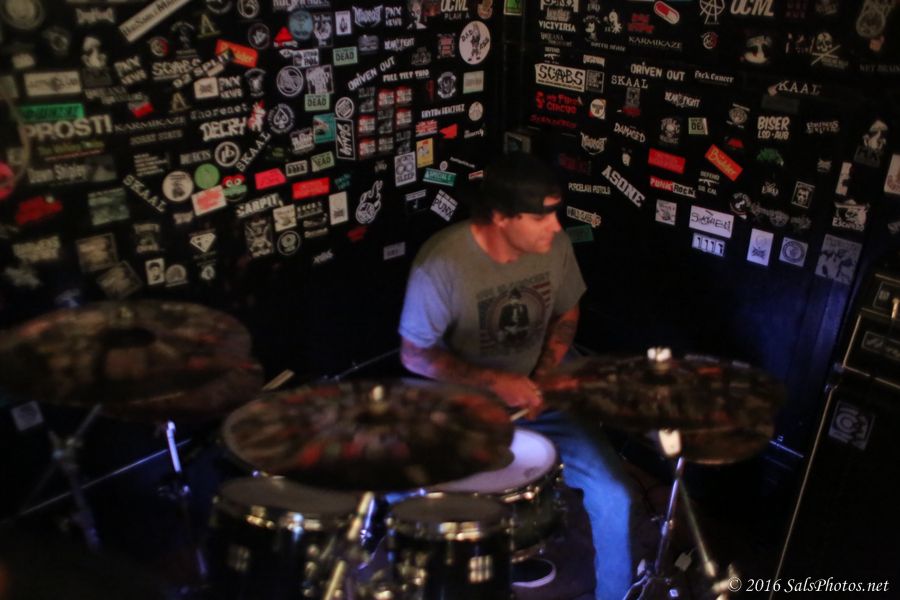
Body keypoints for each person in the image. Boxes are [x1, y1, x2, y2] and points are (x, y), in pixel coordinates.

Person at [398, 152, 641, 600]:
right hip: (465, 406)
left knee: (616, 496)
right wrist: (497, 384)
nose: (555, 226)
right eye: (541, 216)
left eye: (556, 213)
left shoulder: (555, 246)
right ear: (500, 217)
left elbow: (567, 311)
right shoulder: (443, 263)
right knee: (435, 506)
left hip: (537, 393)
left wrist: (543, 374)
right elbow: (415, 355)